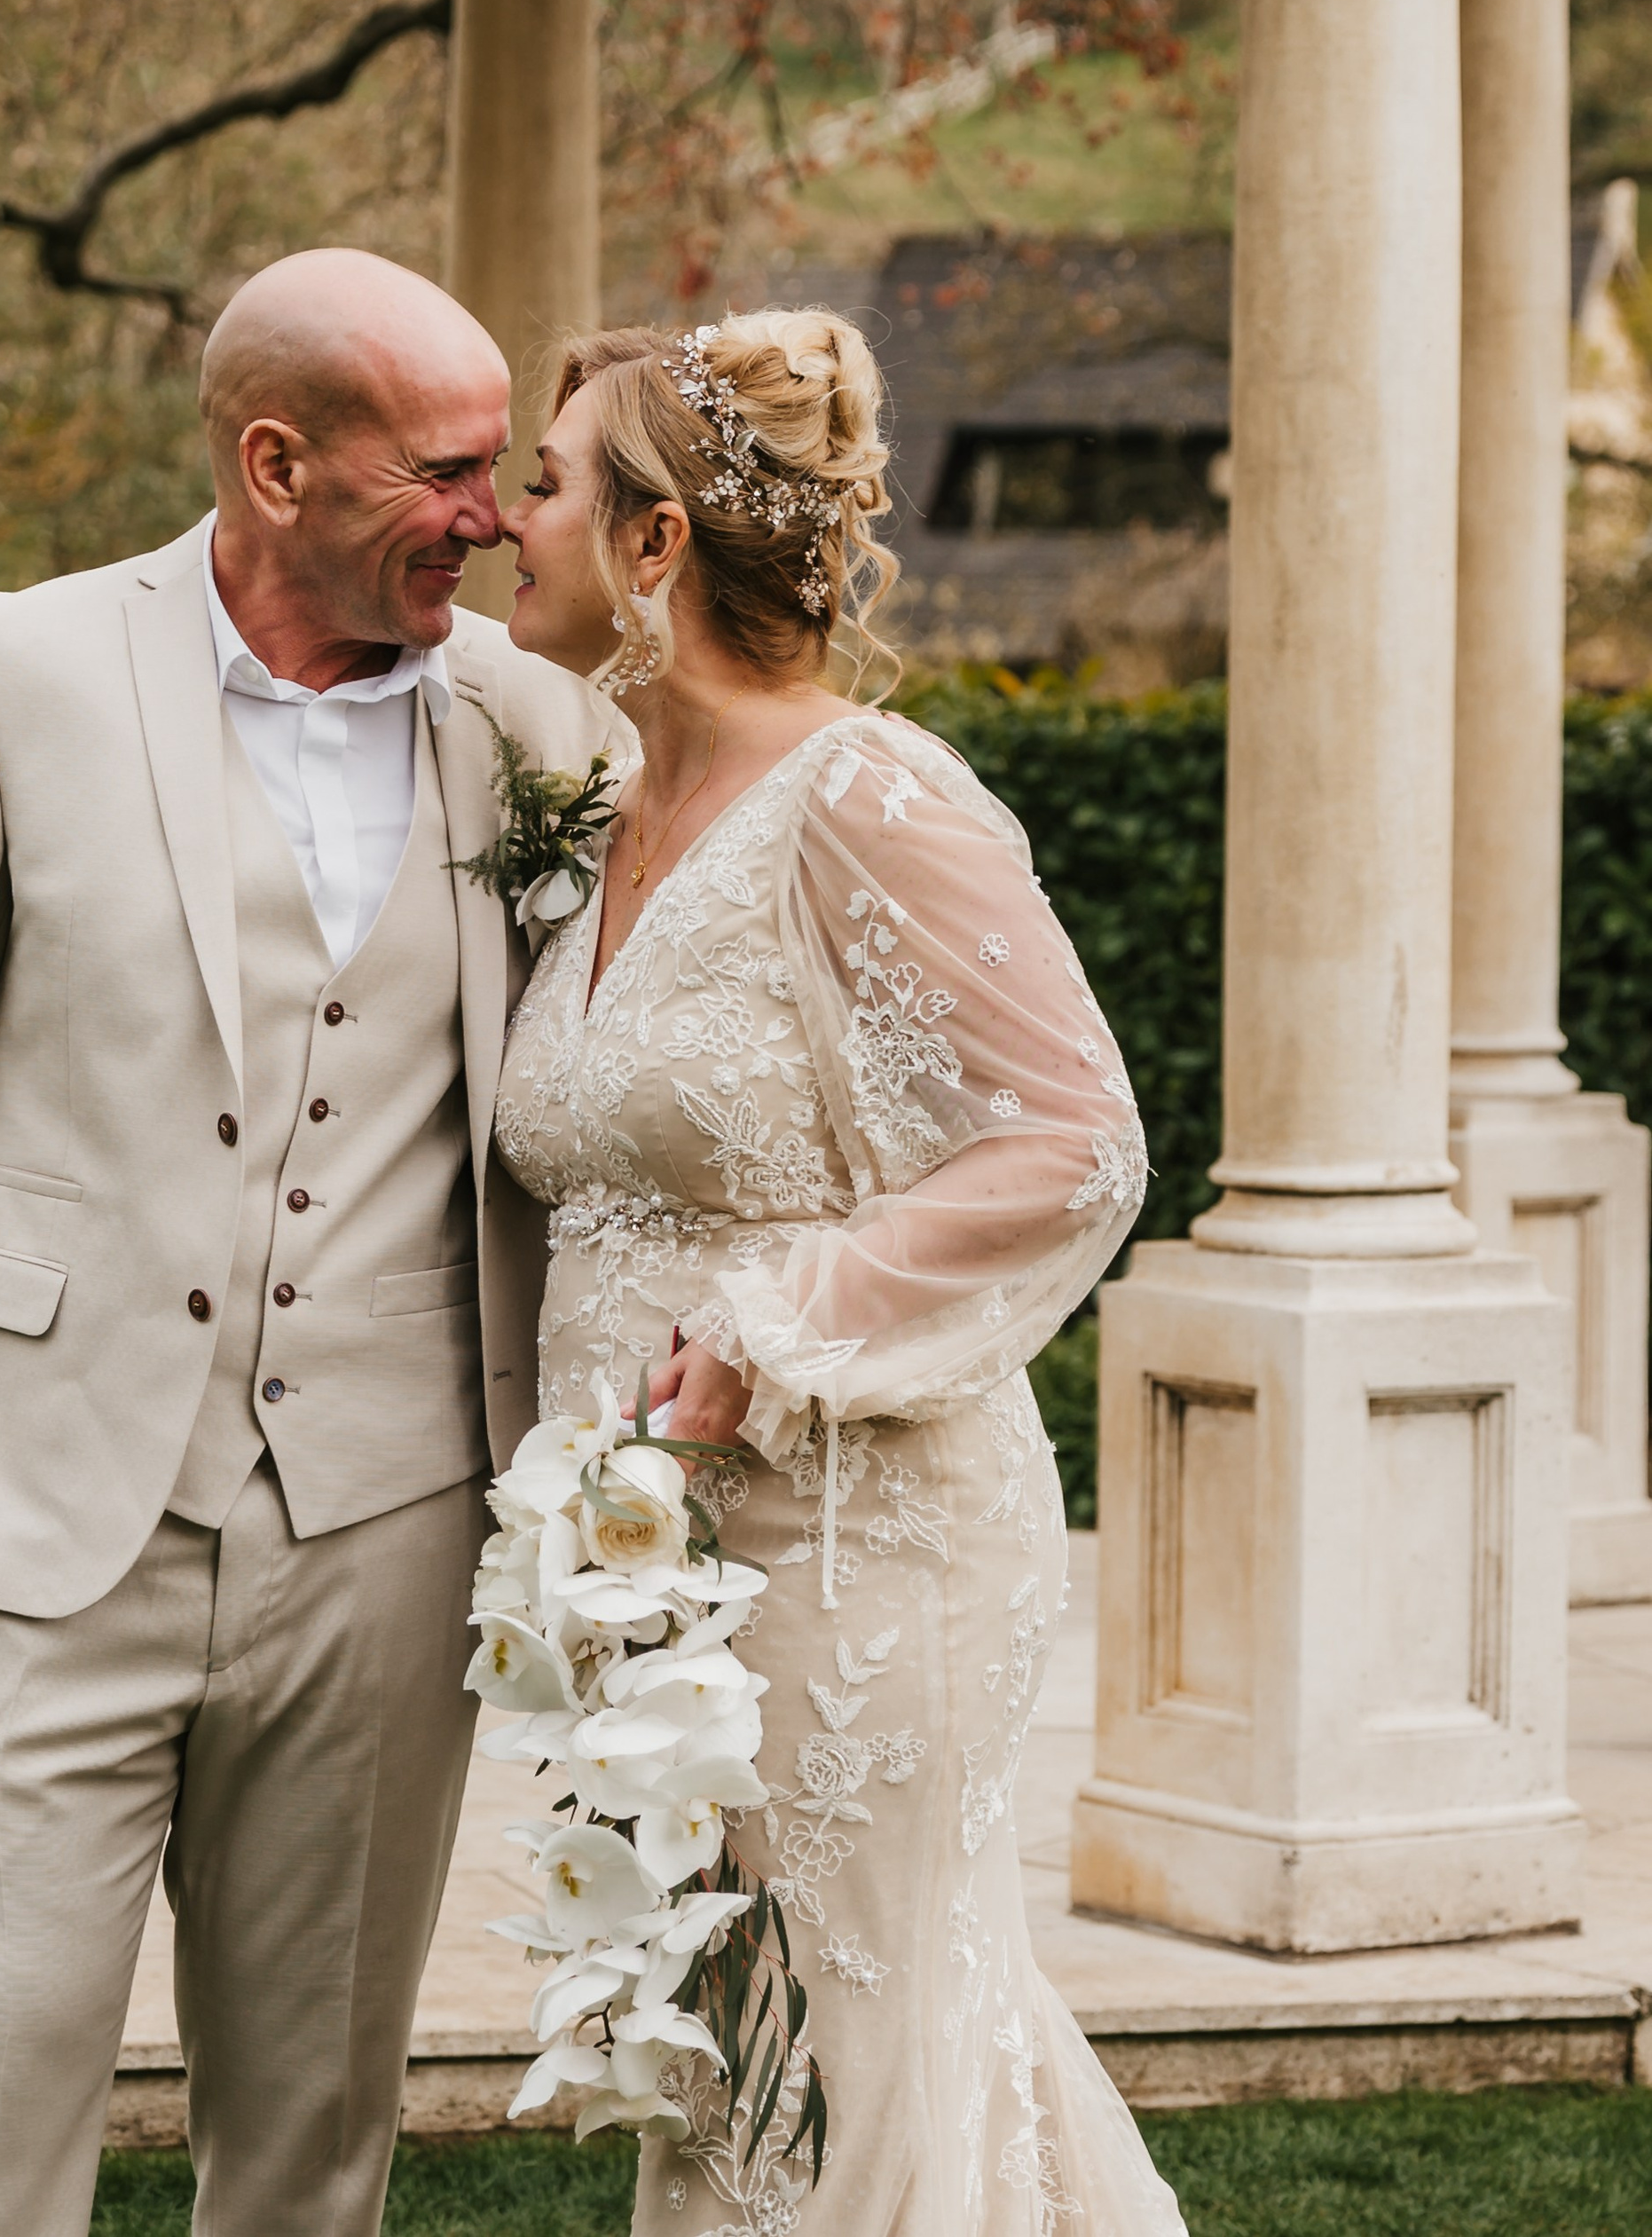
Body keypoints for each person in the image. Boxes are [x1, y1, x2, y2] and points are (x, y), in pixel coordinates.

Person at [0, 248, 602, 2237]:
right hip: (37, 1493)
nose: (490, 517)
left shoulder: (535, 730)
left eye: (505, 467)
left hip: (381, 1518)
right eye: (442, 470)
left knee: (314, 2124)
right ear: (273, 463)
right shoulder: (15, 670)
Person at [497, 311, 1188, 2235]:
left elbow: (1070, 1136)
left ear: (652, 546)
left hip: (850, 1549)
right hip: (640, 1566)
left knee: (852, 2050)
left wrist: (771, 1326)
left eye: (542, 486)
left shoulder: (870, 797)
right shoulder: (595, 817)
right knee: (726, 2061)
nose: (499, 522)